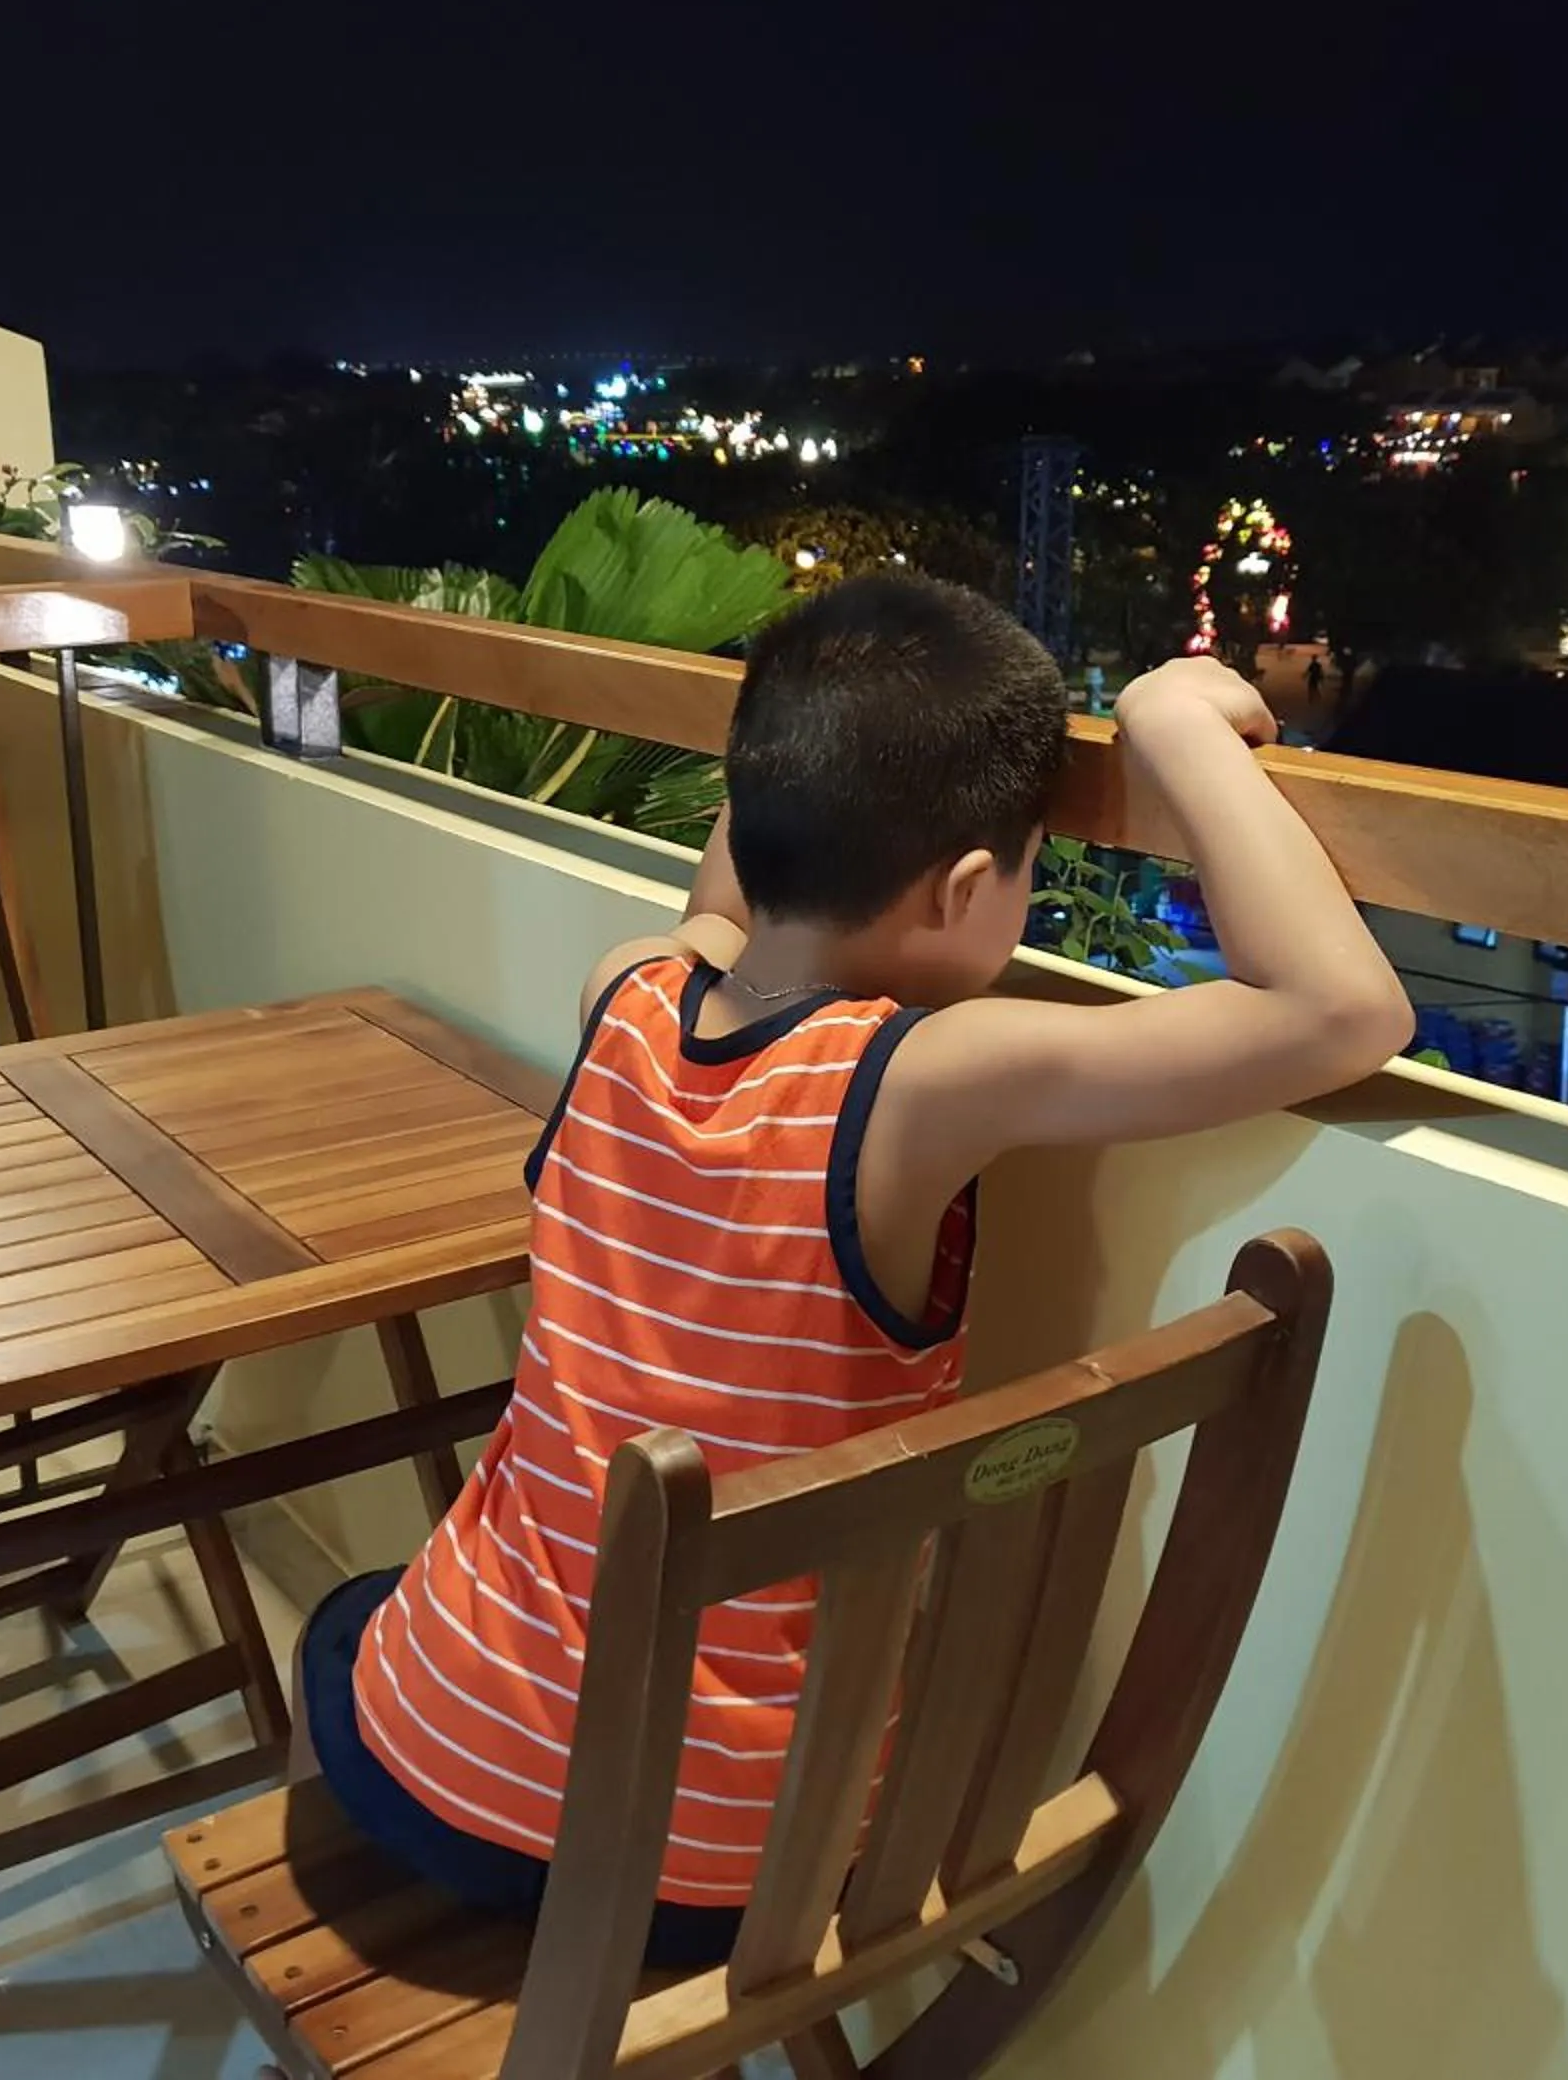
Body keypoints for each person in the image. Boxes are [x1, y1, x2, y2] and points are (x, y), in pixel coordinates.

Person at [294, 572, 1413, 1965]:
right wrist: (1171, 719)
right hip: (732, 1870)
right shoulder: (915, 1085)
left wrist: (790, 761)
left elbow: (720, 916)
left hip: (432, 1779)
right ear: (963, 889)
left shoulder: (622, 998)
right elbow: (1345, 1008)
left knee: (345, 1631)